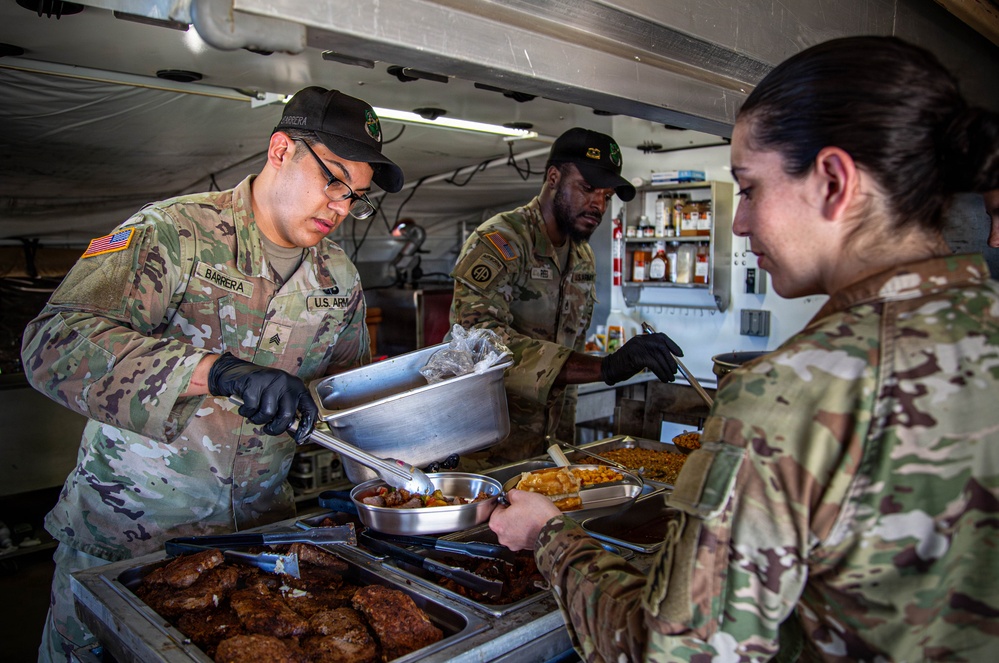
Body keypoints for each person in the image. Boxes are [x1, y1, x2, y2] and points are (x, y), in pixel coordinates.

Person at [490, 36, 999, 661]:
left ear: (834, 181)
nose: (739, 222)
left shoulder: (793, 392)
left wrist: (552, 537)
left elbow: (677, 652)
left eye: (750, 188)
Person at [20, 86, 403, 662]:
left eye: (358, 197)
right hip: (128, 542)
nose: (343, 208)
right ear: (281, 150)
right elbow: (53, 346)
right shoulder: (174, 233)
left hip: (252, 549)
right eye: (334, 182)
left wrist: (405, 456)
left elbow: (342, 398)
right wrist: (217, 372)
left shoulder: (339, 279)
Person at [449, 127, 682, 466]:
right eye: (587, 188)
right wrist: (606, 367)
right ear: (554, 177)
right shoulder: (501, 241)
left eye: (606, 195)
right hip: (488, 451)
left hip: (552, 448)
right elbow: (476, 343)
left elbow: (571, 342)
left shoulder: (581, 256)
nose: (598, 204)